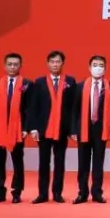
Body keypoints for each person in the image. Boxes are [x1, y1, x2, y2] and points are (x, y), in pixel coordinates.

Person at [0, 53, 35, 204]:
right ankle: (0, 191)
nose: (12, 67)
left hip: (17, 129)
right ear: (5, 65)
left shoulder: (27, 84)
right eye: (9, 64)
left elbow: (29, 109)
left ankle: (16, 192)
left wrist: (26, 128)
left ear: (20, 66)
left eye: (15, 64)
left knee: (17, 162)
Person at [32, 50, 76, 204]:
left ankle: (57, 193)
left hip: (62, 129)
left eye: (58, 61)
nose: (55, 64)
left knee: (60, 162)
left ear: (62, 63)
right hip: (44, 129)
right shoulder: (39, 82)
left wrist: (72, 129)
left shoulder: (70, 82)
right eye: (52, 62)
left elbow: (73, 107)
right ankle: (42, 194)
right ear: (47, 63)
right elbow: (34, 106)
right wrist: (33, 128)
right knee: (43, 162)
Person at [72, 55, 110, 204]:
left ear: (105, 68)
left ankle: (97, 193)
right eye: (95, 65)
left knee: (98, 163)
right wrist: (73, 130)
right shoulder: (80, 86)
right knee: (83, 163)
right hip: (84, 128)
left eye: (101, 65)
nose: (98, 68)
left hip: (101, 129)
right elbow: (74, 110)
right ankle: (82, 193)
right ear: (89, 67)